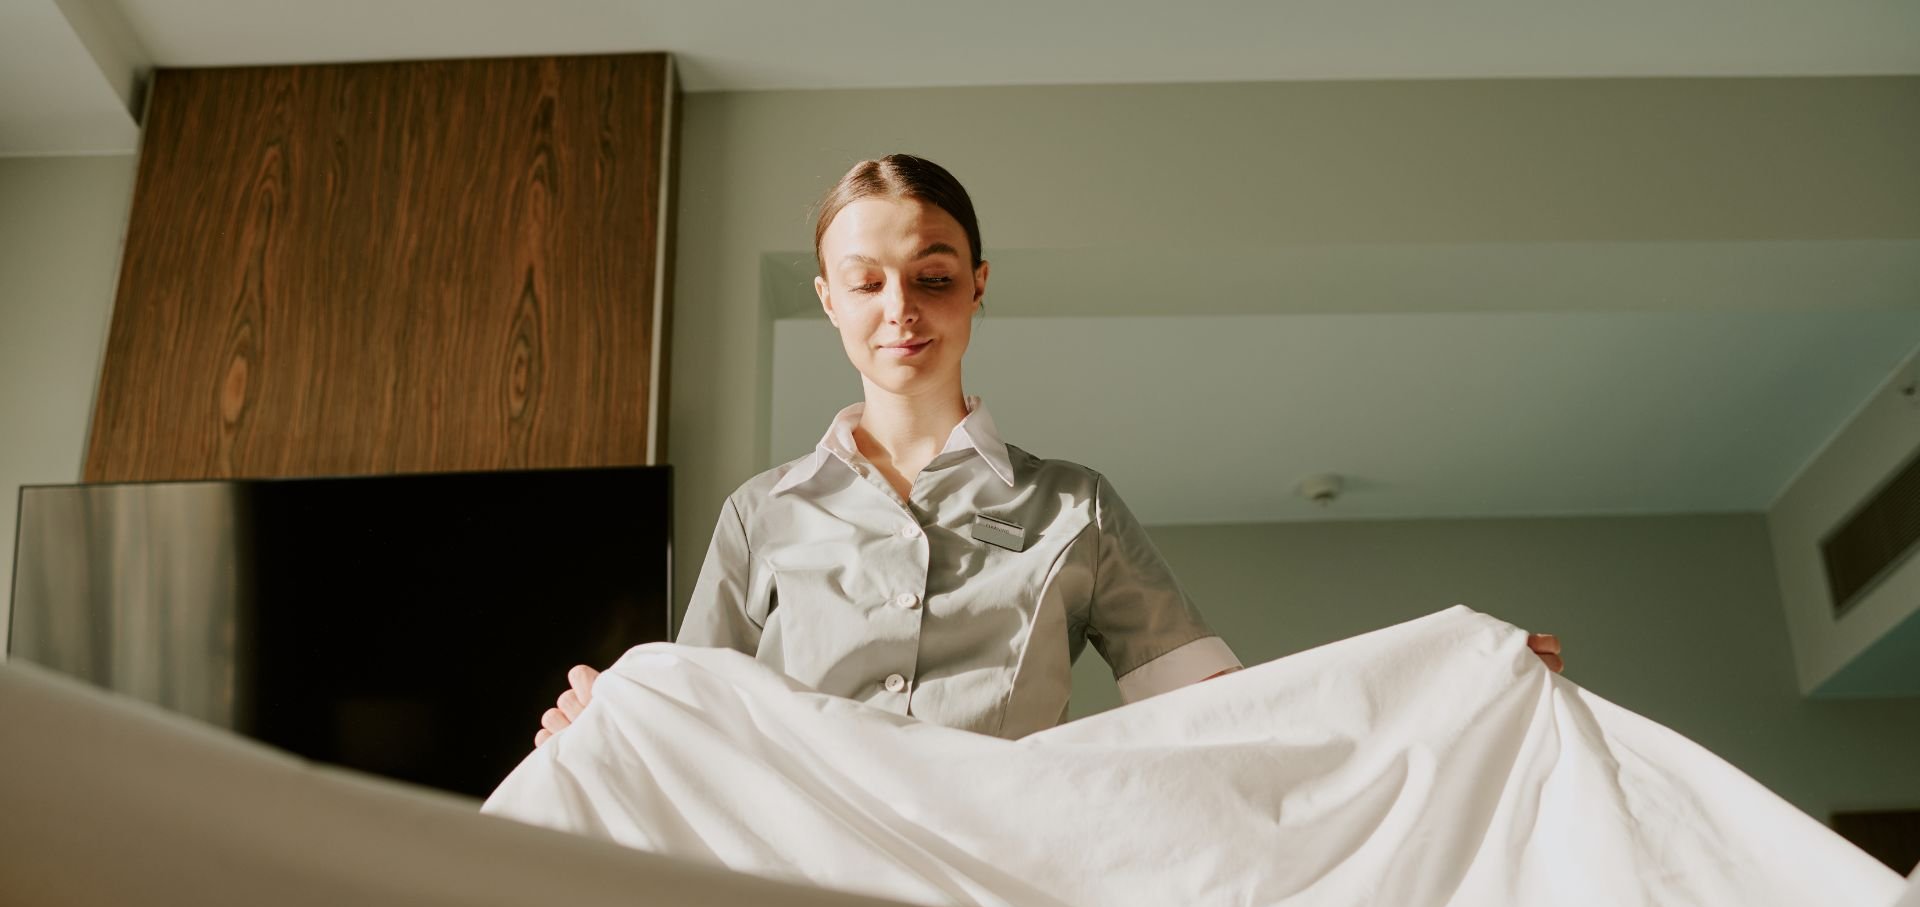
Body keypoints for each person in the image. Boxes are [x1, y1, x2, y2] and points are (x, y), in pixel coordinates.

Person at [536, 154, 1563, 748]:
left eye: (933, 276)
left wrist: (1442, 683)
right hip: (804, 881)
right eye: (866, 282)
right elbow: (688, 727)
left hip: (999, 884)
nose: (901, 309)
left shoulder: (1076, 507)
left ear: (979, 285)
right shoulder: (762, 515)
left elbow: (1224, 715)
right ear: (828, 300)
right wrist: (604, 723)